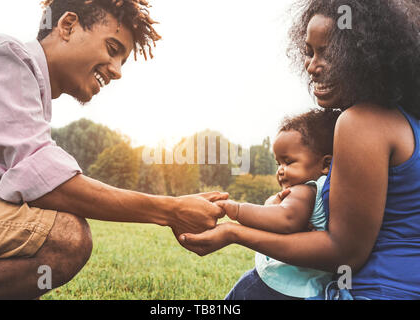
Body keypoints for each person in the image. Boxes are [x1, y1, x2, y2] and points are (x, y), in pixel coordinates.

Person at [0, 0, 228, 299]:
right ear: (68, 26)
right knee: (65, 236)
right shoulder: (3, 57)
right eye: (112, 49)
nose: (117, 71)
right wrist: (171, 210)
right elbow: (45, 181)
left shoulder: (31, 92)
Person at [179, 0, 420, 300]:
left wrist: (234, 232)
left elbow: (344, 253)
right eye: (309, 52)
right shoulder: (407, 122)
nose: (311, 65)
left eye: (328, 53)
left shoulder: (360, 122)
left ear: (365, 53)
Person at [218, 109, 341, 300]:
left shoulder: (304, 190)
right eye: (278, 164)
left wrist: (237, 209)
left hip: (275, 284)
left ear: (326, 164)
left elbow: (285, 219)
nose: (281, 171)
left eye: (288, 162)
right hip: (308, 289)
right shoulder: (331, 192)